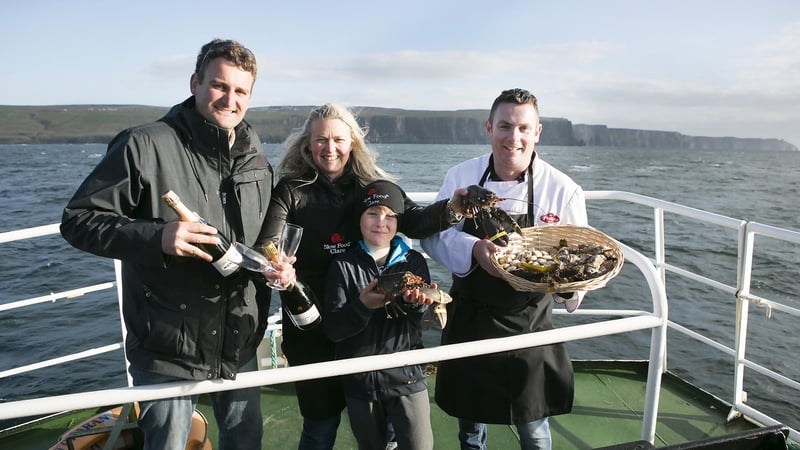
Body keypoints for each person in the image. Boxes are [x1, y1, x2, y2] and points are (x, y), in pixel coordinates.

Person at [60, 39, 293, 450]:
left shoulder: (255, 156)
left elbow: (257, 241)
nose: (230, 99)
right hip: (169, 346)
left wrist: (275, 264)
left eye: (241, 91)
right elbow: (79, 220)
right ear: (194, 83)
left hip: (237, 339)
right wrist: (159, 237)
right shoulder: (143, 145)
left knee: (245, 441)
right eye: (219, 86)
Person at [257, 103, 465, 450]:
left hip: (365, 325)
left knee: (381, 427)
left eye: (339, 139)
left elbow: (412, 219)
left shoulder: (369, 187)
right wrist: (278, 265)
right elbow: (269, 242)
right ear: (307, 144)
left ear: (352, 142)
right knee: (320, 424)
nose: (330, 148)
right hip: (313, 323)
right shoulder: (291, 190)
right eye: (321, 139)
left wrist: (454, 208)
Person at [420, 88, 589, 450]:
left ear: (537, 132)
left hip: (529, 325)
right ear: (489, 128)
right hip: (471, 318)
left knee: (533, 427)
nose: (514, 137)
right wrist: (473, 250)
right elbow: (434, 238)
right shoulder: (461, 177)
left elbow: (579, 260)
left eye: (524, 128)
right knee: (470, 425)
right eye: (505, 126)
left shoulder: (563, 190)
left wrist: (567, 287)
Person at [323, 180, 436, 450]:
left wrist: (419, 305)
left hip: (407, 374)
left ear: (398, 222)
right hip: (360, 379)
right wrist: (362, 306)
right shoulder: (343, 266)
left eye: (390, 216)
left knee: (420, 445)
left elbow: (424, 323)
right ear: (359, 219)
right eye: (372, 213)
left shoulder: (414, 261)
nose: (381, 222)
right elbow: (334, 330)